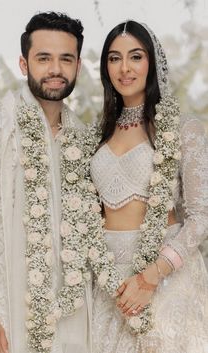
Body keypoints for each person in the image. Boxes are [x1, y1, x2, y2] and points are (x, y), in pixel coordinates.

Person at [0, 11, 122, 353]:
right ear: (24, 64)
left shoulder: (84, 141)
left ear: (78, 66)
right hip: (4, 314)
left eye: (65, 59)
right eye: (44, 58)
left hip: (73, 316)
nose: (55, 69)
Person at [90, 20, 208, 352]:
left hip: (164, 277)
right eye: (114, 58)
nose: (124, 68)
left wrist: (153, 275)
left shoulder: (183, 128)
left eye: (135, 56)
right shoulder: (95, 135)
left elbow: (201, 216)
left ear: (152, 63)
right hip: (110, 281)